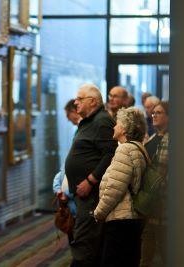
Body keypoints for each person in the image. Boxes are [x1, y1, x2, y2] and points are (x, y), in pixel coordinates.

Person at [65, 84, 117, 266]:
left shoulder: (102, 121)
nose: (75, 102)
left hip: (92, 195)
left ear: (93, 102)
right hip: (82, 194)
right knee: (85, 240)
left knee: (85, 242)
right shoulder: (89, 121)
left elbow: (111, 154)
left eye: (79, 99)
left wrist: (91, 180)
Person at [93, 107, 148, 267]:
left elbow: (114, 189)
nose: (114, 126)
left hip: (121, 220)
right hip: (132, 219)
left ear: (124, 128)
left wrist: (98, 213)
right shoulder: (138, 147)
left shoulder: (124, 150)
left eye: (117, 123)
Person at [140, 101, 169, 267]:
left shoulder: (171, 139)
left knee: (165, 245)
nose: (154, 115)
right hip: (150, 200)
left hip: (162, 200)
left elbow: (164, 172)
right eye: (153, 112)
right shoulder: (153, 137)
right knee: (147, 243)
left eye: (159, 112)